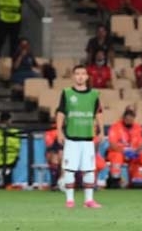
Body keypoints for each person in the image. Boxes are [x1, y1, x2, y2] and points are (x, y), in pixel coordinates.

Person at [56, 65, 104, 208]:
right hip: (71, 138)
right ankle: (69, 200)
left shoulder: (94, 94)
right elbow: (61, 112)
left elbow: (98, 113)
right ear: (73, 76)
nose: (80, 76)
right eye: (77, 74)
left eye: (83, 74)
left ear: (87, 77)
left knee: (89, 170)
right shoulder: (67, 93)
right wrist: (59, 130)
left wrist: (102, 130)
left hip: (87, 138)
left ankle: (88, 200)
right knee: (69, 170)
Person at [106, 107, 142, 188]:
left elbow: (141, 144)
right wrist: (124, 151)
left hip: (133, 154)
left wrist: (136, 152)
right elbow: (113, 145)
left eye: (131, 119)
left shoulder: (138, 128)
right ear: (124, 118)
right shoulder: (115, 127)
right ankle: (115, 180)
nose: (129, 121)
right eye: (127, 119)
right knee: (117, 157)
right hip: (118, 152)